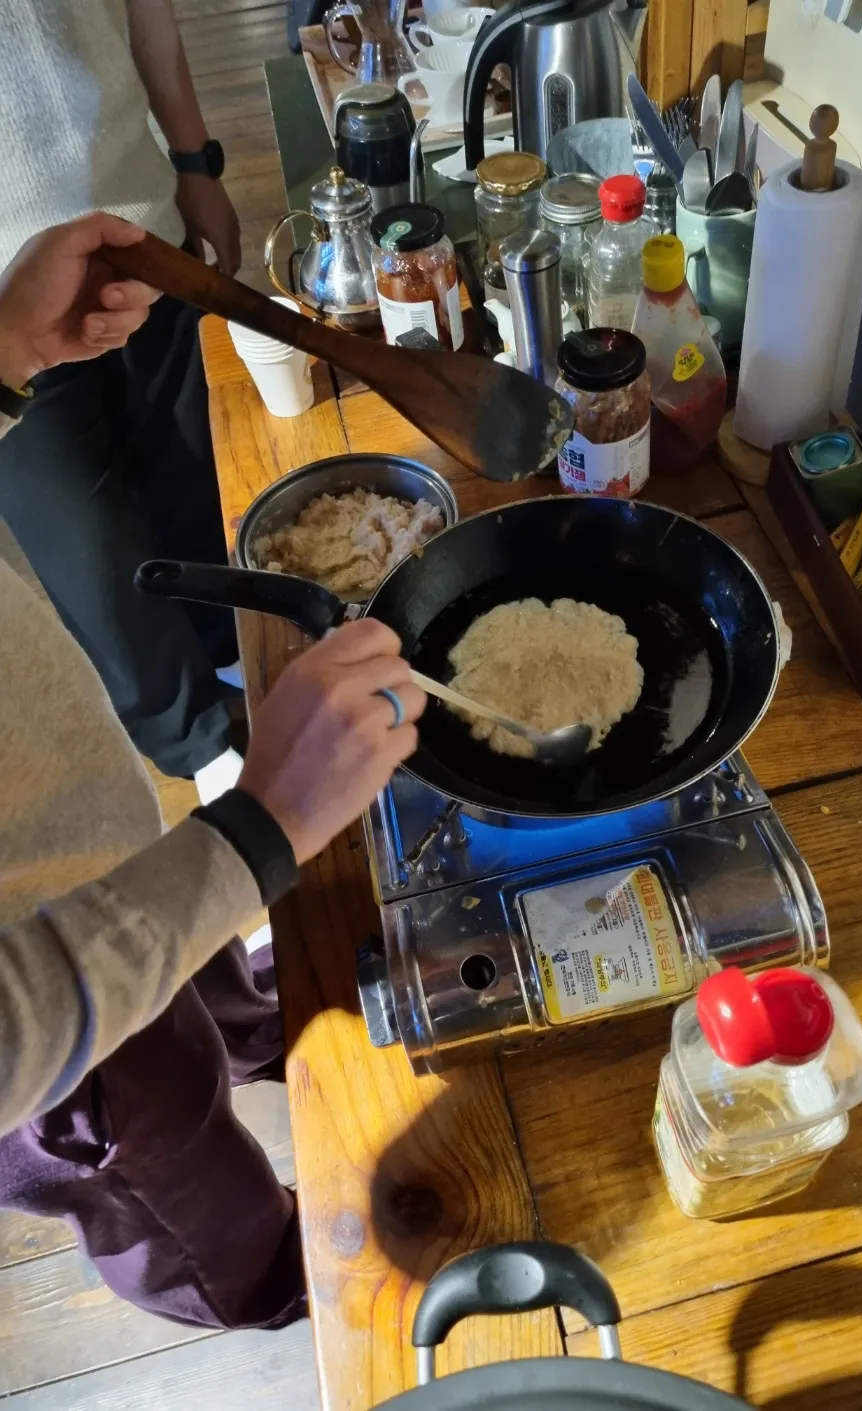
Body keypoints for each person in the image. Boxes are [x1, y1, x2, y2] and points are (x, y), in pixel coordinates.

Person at [0, 214, 427, 1328]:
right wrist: (259, 827)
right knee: (168, 1158)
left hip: (95, 838)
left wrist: (1, 352)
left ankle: (245, 1028)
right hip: (49, 1040)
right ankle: (260, 1282)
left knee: (200, 972)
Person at [0, 0, 248, 788]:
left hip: (145, 232)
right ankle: (206, 759)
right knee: (100, 575)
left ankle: (239, 674)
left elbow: (148, 16)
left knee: (197, 496)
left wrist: (194, 165)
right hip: (6, 310)